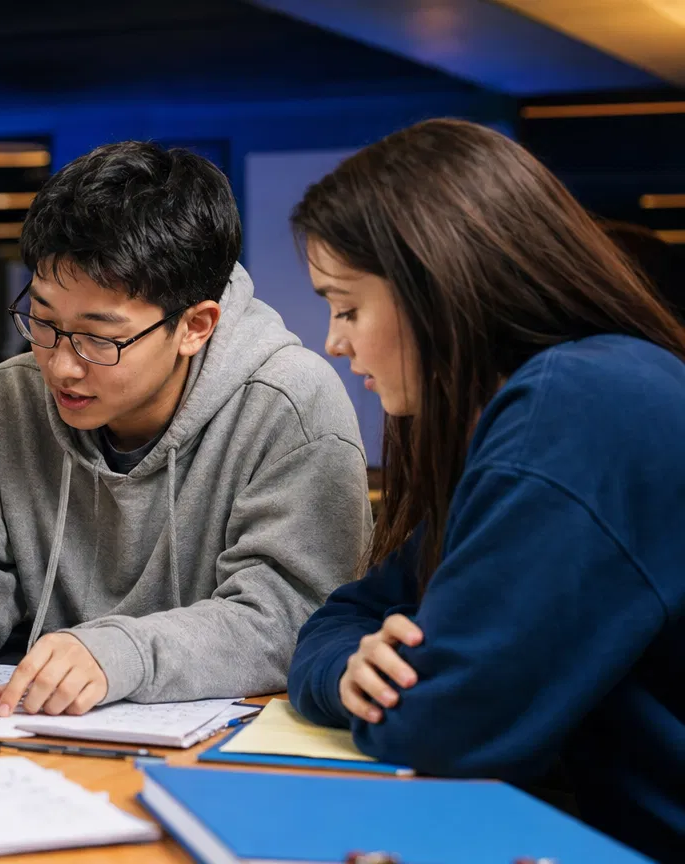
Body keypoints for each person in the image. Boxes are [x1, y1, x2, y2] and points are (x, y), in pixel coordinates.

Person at [0, 140, 372, 715]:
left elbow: (291, 617)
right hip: (30, 732)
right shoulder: (12, 397)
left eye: (100, 338)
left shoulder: (289, 404)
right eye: (43, 320)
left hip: (222, 746)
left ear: (195, 326)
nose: (60, 366)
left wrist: (119, 654)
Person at [286, 119, 685, 860]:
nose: (335, 343)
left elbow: (440, 726)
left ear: (432, 287)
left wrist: (377, 681)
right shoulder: (560, 397)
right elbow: (350, 613)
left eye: (347, 307)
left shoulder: (578, 412)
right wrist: (349, 671)